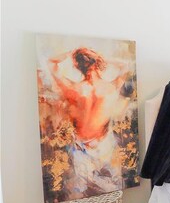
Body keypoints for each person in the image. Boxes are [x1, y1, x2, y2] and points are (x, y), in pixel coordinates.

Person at [48, 47, 129, 194]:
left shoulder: (74, 90)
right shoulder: (111, 87)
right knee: (114, 191)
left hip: (82, 149)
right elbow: (126, 65)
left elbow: (51, 63)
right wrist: (99, 57)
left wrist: (70, 52)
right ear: (97, 63)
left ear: (77, 66)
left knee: (84, 194)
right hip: (105, 146)